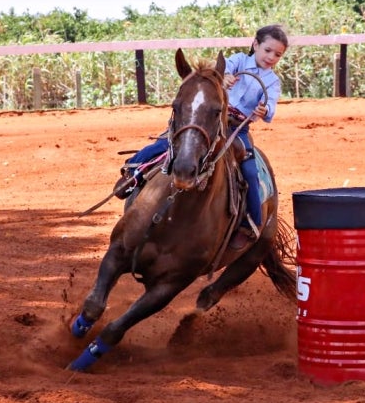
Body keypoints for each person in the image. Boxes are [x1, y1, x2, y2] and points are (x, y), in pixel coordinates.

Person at [119, 24, 289, 249]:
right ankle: (134, 172)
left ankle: (251, 222)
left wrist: (264, 110)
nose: (271, 57)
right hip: (210, 120)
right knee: (167, 142)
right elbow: (216, 74)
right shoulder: (238, 60)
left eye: (277, 54)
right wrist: (224, 78)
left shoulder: (271, 81)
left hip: (238, 130)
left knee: (249, 169)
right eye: (268, 50)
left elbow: (271, 104)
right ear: (255, 45)